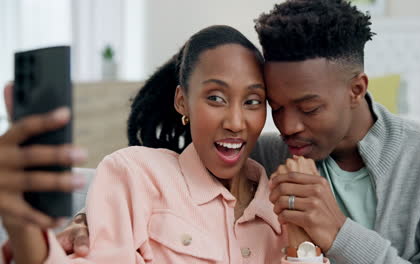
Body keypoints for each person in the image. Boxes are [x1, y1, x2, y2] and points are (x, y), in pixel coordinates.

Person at [59, 0, 420, 263]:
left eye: (309, 108)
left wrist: (341, 236)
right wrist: (91, 218)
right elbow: (170, 182)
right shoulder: (270, 158)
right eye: (274, 106)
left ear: (357, 89)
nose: (288, 126)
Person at [0, 25, 329, 264]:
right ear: (182, 102)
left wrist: (300, 243)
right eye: (215, 97)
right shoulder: (136, 174)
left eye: (253, 101)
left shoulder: (281, 205)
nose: (235, 121)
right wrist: (25, 228)